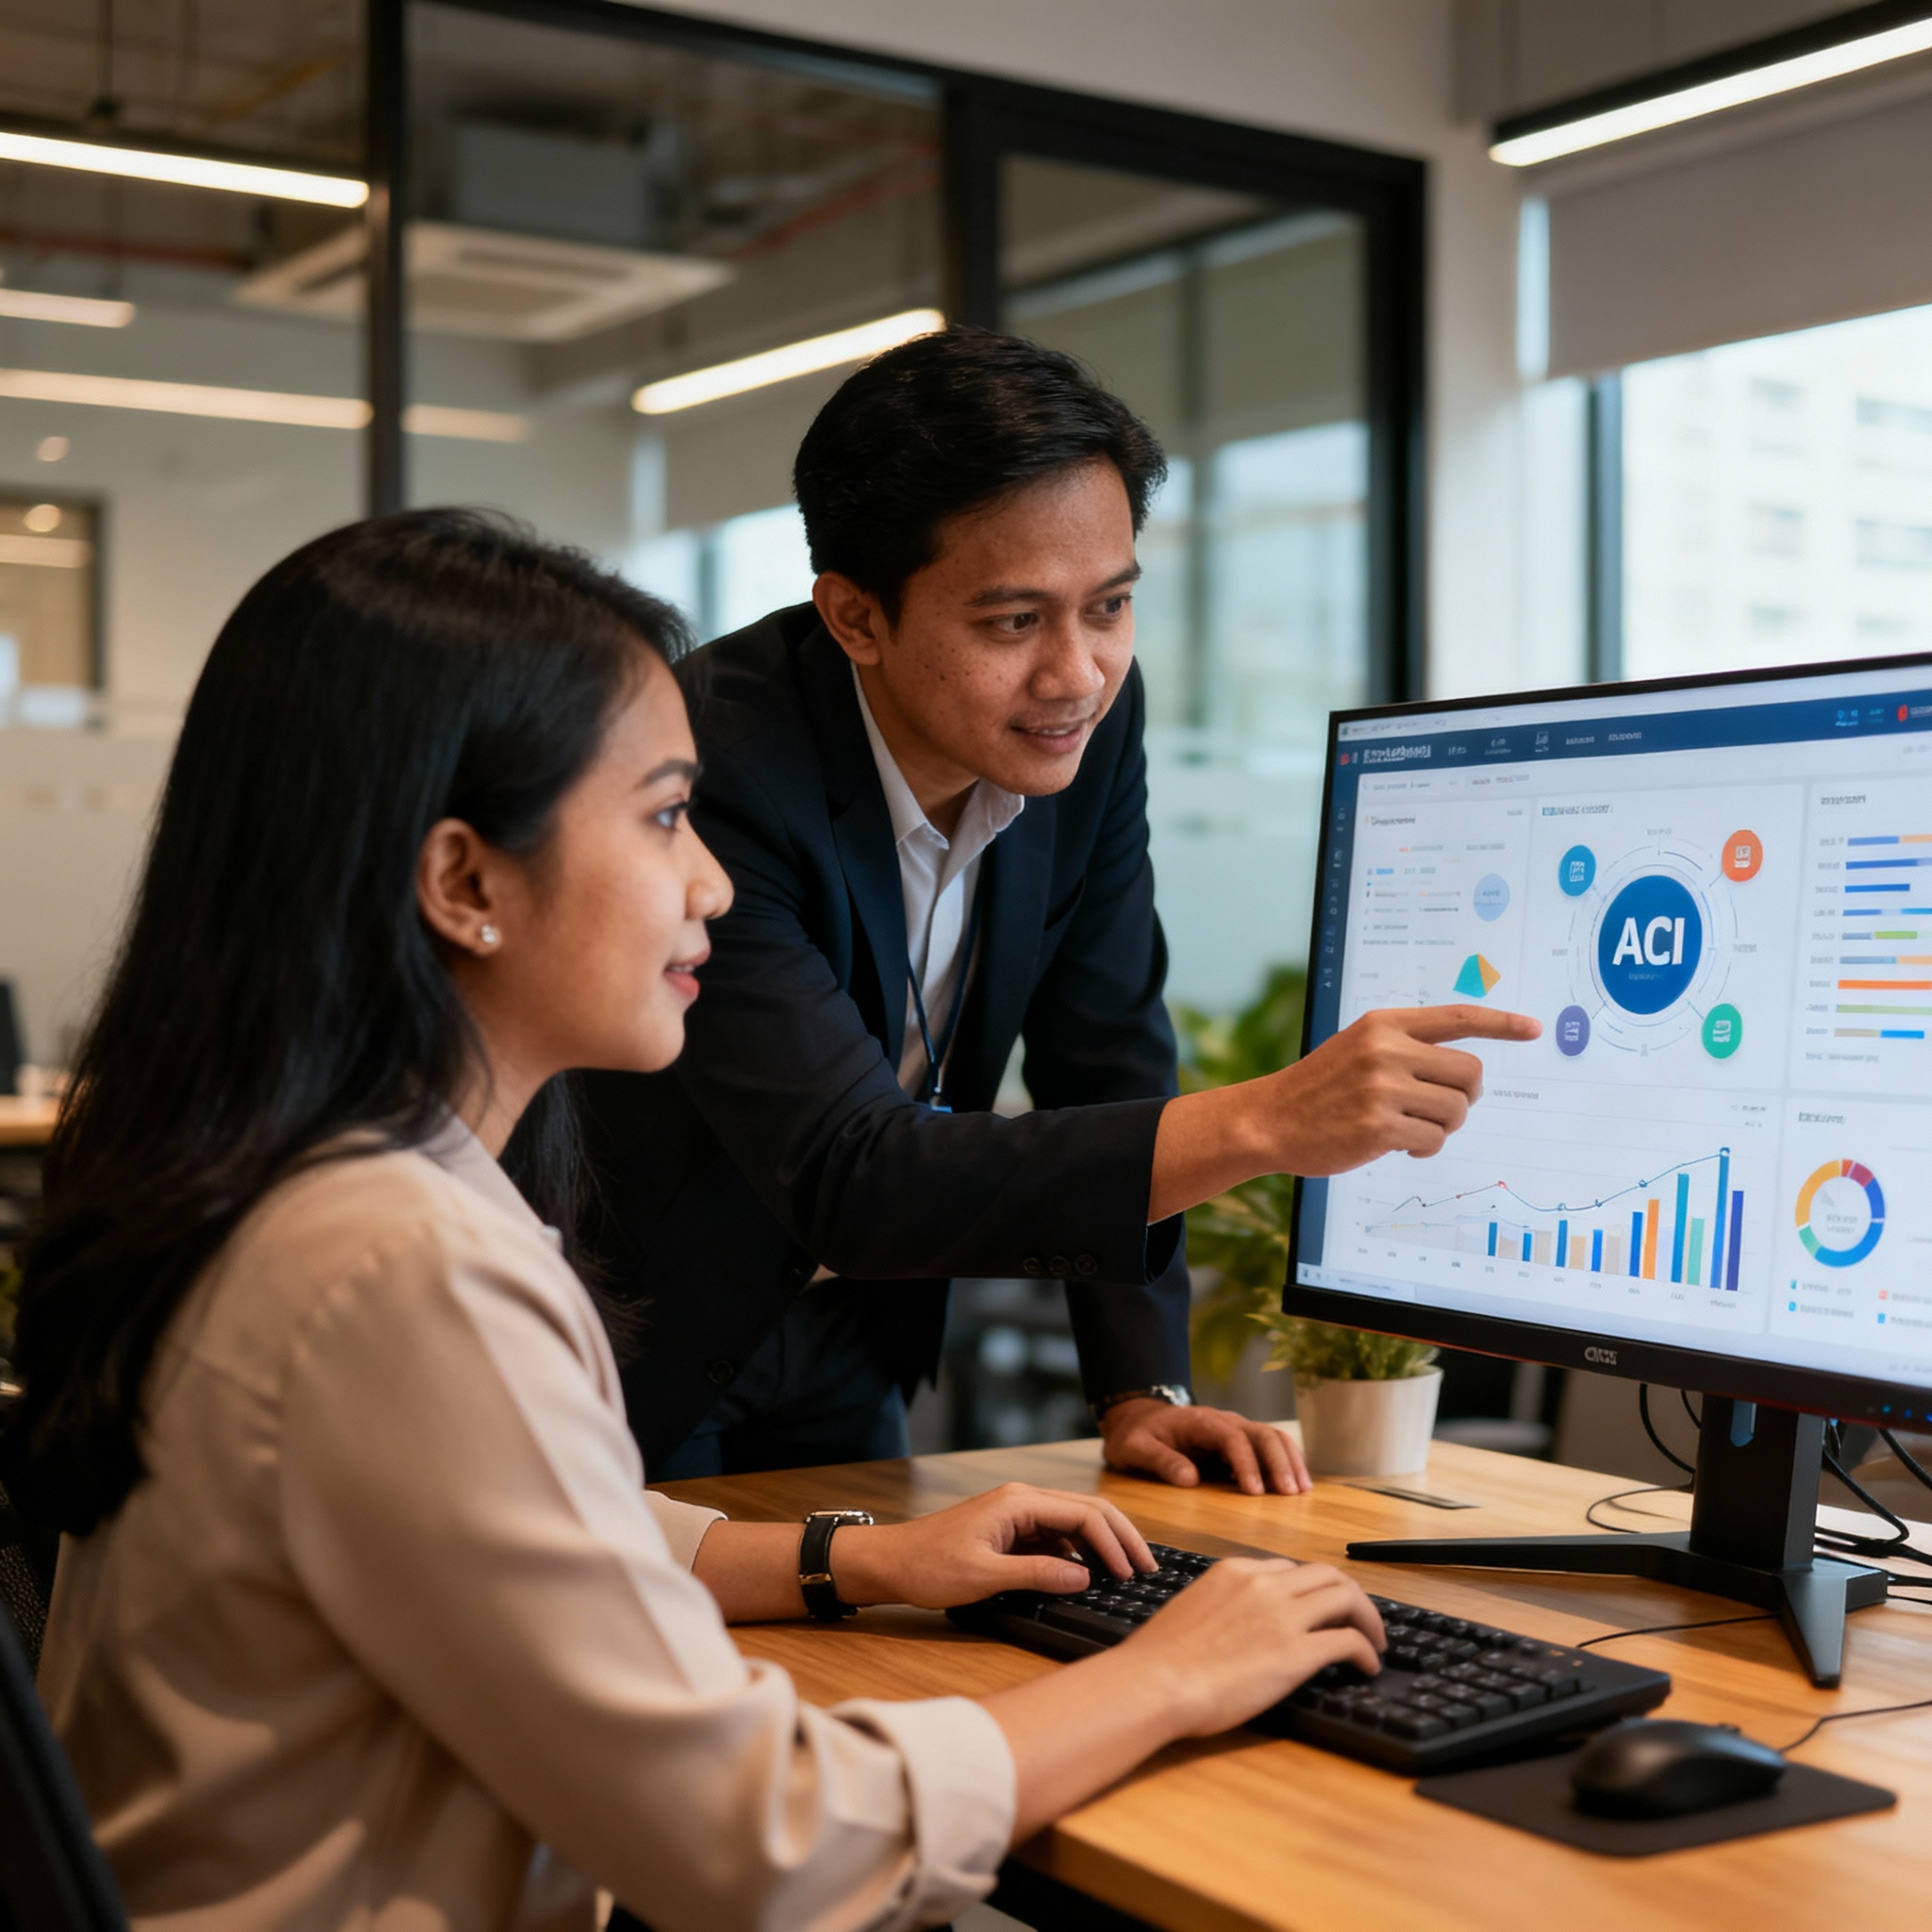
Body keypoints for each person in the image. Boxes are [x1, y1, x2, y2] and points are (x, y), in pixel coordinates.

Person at [1, 512, 1390, 1931]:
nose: (712, 883)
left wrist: (852, 1558)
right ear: (466, 883)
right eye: (667, 815)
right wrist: (1172, 1671)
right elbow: (759, 1839)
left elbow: (508, 1527)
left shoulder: (283, 1185)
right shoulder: (393, 1267)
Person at [583, 327, 1539, 1487]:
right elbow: (850, 1171)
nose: (1077, 672)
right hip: (639, 1335)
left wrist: (1138, 1384)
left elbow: (1104, 1044)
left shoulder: (1079, 727)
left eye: (1110, 606)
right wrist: (1266, 1119)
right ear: (855, 617)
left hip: (854, 1336)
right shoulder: (710, 758)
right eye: (1013, 621)